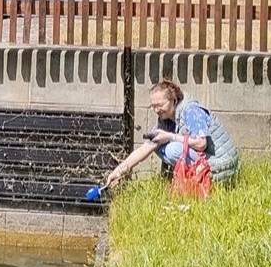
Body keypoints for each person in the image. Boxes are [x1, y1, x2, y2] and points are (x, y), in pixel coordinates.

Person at [102, 79, 240, 193]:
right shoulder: (166, 118)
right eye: (153, 106)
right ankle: (189, 182)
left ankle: (200, 182)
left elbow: (201, 144)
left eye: (160, 105)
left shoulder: (192, 111)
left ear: (173, 100)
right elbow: (144, 149)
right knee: (158, 144)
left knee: (173, 149)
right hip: (206, 161)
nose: (156, 110)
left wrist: (170, 136)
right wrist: (118, 171)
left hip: (222, 166)